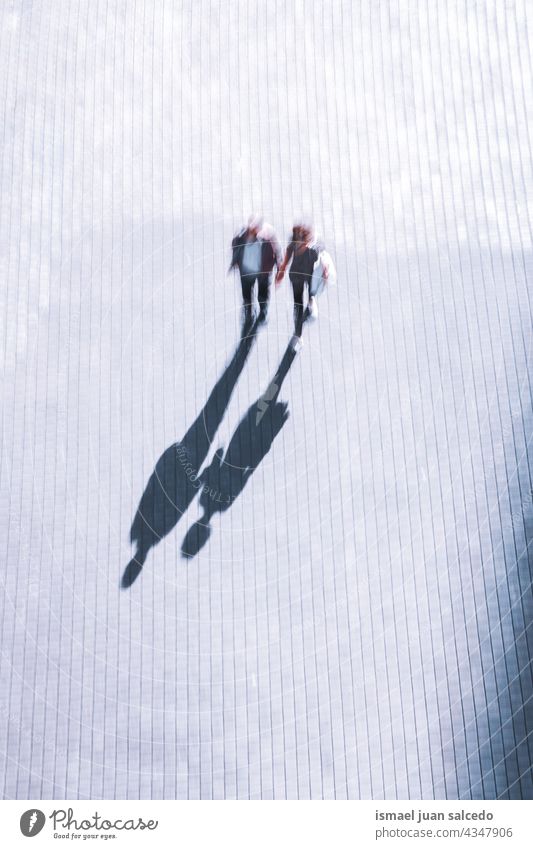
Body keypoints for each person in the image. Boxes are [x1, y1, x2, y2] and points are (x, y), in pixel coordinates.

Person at [275, 222, 329, 348]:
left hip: (311, 276)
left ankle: (311, 302)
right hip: (296, 276)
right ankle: (298, 335)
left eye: (303, 242)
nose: (301, 245)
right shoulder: (293, 245)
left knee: (311, 294)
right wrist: (280, 275)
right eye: (299, 242)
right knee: (297, 305)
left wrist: (325, 271)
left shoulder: (315, 247)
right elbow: (285, 261)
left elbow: (324, 259)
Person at [229, 214, 281, 323]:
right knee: (246, 294)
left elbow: (277, 252)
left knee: (263, 294)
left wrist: (279, 270)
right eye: (251, 228)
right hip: (246, 270)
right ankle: (248, 311)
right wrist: (235, 262)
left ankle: (263, 310)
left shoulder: (268, 236)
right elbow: (235, 246)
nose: (253, 231)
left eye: (255, 229)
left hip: (263, 271)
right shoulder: (241, 234)